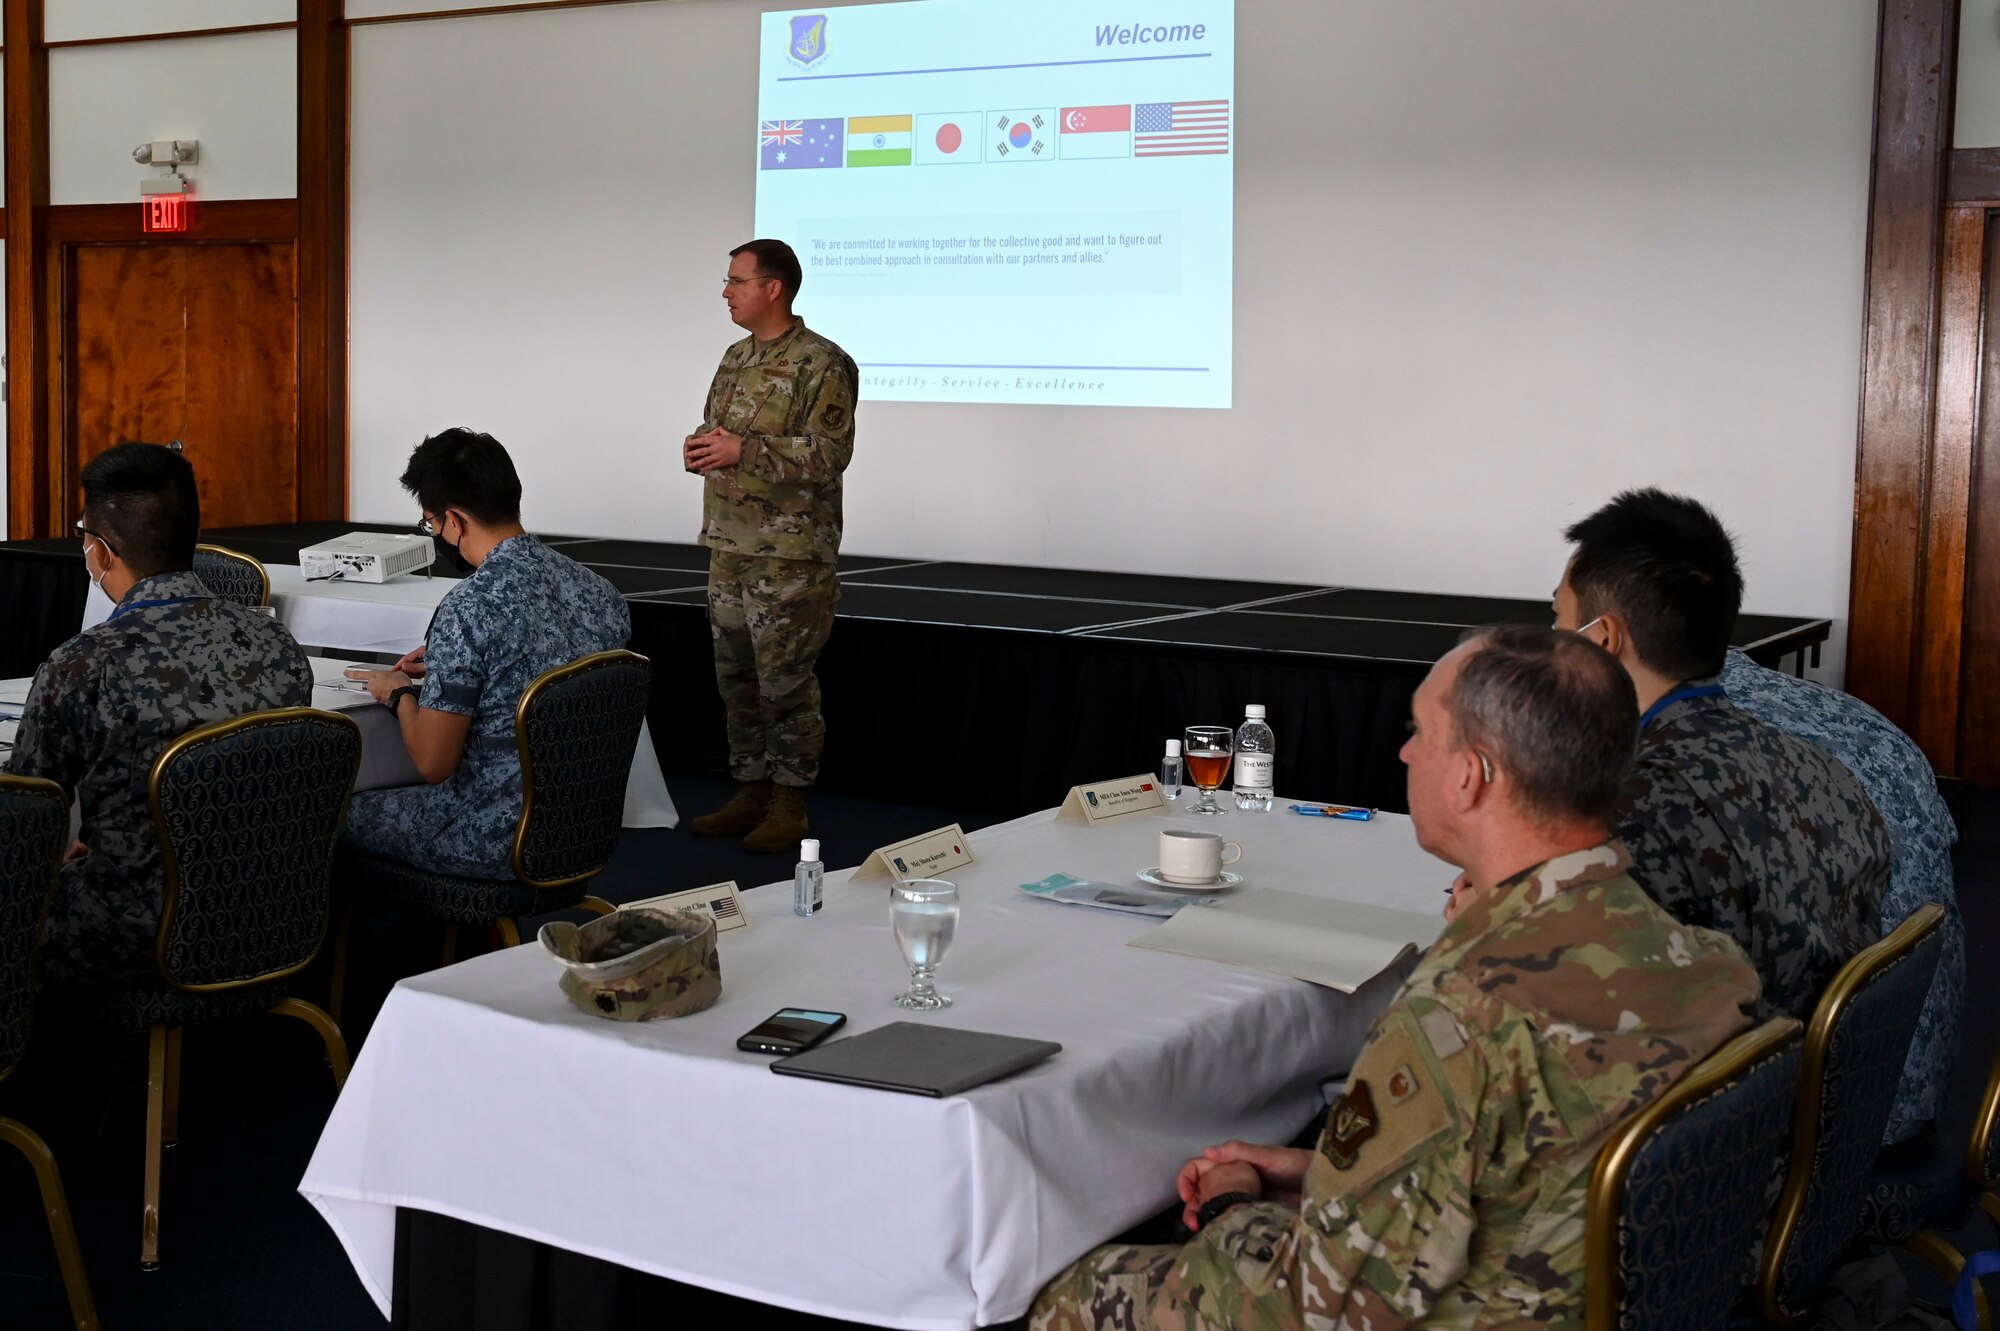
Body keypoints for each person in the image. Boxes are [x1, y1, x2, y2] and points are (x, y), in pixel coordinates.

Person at [1030, 627, 1760, 1330]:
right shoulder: (1703, 961)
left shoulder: (1461, 1017)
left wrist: (1233, 1209)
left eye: (1420, 732)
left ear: (1471, 776)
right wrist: (1326, 1173)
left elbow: (1307, 1309)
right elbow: (1535, 1162)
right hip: (1619, 1294)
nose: (1405, 750)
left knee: (1058, 1288)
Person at [1554, 489, 1892, 1023]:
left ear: (1603, 640)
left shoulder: (1624, 815)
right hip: (1811, 1090)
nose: (1553, 640)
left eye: (1558, 620)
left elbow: (1575, 1011)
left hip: (1701, 1096)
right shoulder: (1827, 773)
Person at [6, 442, 313, 984]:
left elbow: (27, 817)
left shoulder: (82, 664)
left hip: (129, 930)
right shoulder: (278, 645)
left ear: (99, 552)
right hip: (271, 911)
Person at [342, 429, 629, 878]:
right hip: (584, 824)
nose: (435, 532)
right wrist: (454, 662)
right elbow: (541, 664)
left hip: (490, 834)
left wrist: (398, 692)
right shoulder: (600, 591)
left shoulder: (469, 607)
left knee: (336, 812)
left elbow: (434, 764)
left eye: (431, 523)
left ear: (454, 521)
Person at [1720, 648, 1963, 1143]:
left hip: (1823, 1138)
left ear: (1608, 636)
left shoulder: (1704, 754)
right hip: (1916, 1081)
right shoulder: (1851, 717)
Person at [683, 238, 857, 853]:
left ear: (772, 288)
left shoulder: (822, 363)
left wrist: (743, 450)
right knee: (736, 679)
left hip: (791, 555)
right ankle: (751, 789)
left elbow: (831, 454)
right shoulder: (734, 357)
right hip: (730, 544)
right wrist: (704, 447)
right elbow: (718, 429)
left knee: (784, 682)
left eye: (736, 281)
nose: (726, 292)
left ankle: (790, 803)